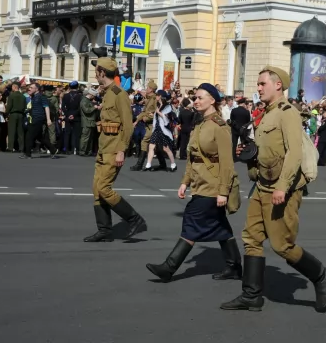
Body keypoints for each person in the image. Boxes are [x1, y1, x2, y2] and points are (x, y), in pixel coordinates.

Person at [220, 66, 326, 313]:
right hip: (262, 186)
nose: (258, 88)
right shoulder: (264, 114)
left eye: (262, 84)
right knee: (251, 238)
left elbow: (294, 152)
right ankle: (251, 295)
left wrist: (282, 187)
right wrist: (248, 155)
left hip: (283, 190)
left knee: (283, 246)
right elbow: (266, 151)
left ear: (278, 85)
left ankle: (321, 275)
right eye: (258, 84)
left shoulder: (287, 112)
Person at [145, 83, 242, 281]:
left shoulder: (220, 127)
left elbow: (227, 163)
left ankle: (169, 267)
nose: (195, 101)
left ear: (212, 100)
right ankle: (234, 266)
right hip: (199, 182)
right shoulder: (200, 124)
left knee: (191, 219)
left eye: (200, 98)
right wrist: (185, 181)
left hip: (212, 185)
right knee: (219, 225)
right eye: (195, 98)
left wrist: (223, 191)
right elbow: (193, 157)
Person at [83, 58, 147, 243]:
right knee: (97, 189)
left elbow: (127, 126)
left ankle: (134, 219)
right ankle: (104, 230)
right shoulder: (107, 93)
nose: (95, 73)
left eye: (96, 70)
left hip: (113, 149)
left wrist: (122, 150)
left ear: (102, 72)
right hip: (103, 148)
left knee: (104, 188)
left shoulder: (119, 94)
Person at [19, 83, 58, 160]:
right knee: (39, 137)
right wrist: (28, 111)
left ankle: (28, 154)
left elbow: (46, 107)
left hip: (38, 119)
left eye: (31, 87)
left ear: (36, 89)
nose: (29, 89)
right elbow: (35, 107)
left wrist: (48, 119)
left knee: (29, 136)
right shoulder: (33, 96)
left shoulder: (41, 96)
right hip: (33, 118)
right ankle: (53, 149)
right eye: (29, 87)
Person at [144, 90, 177, 172]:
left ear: (161, 96)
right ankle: (148, 164)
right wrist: (154, 114)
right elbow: (156, 118)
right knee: (151, 146)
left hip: (163, 130)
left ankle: (173, 164)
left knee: (166, 148)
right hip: (156, 129)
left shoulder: (167, 106)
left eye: (158, 95)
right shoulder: (158, 105)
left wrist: (159, 113)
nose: (156, 97)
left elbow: (168, 119)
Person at [6, 82, 26, 153]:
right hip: (21, 114)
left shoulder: (11, 95)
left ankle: (10, 147)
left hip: (13, 114)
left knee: (11, 131)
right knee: (20, 132)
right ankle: (21, 148)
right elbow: (25, 107)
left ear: (14, 87)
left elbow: (9, 107)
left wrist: (6, 114)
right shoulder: (23, 96)